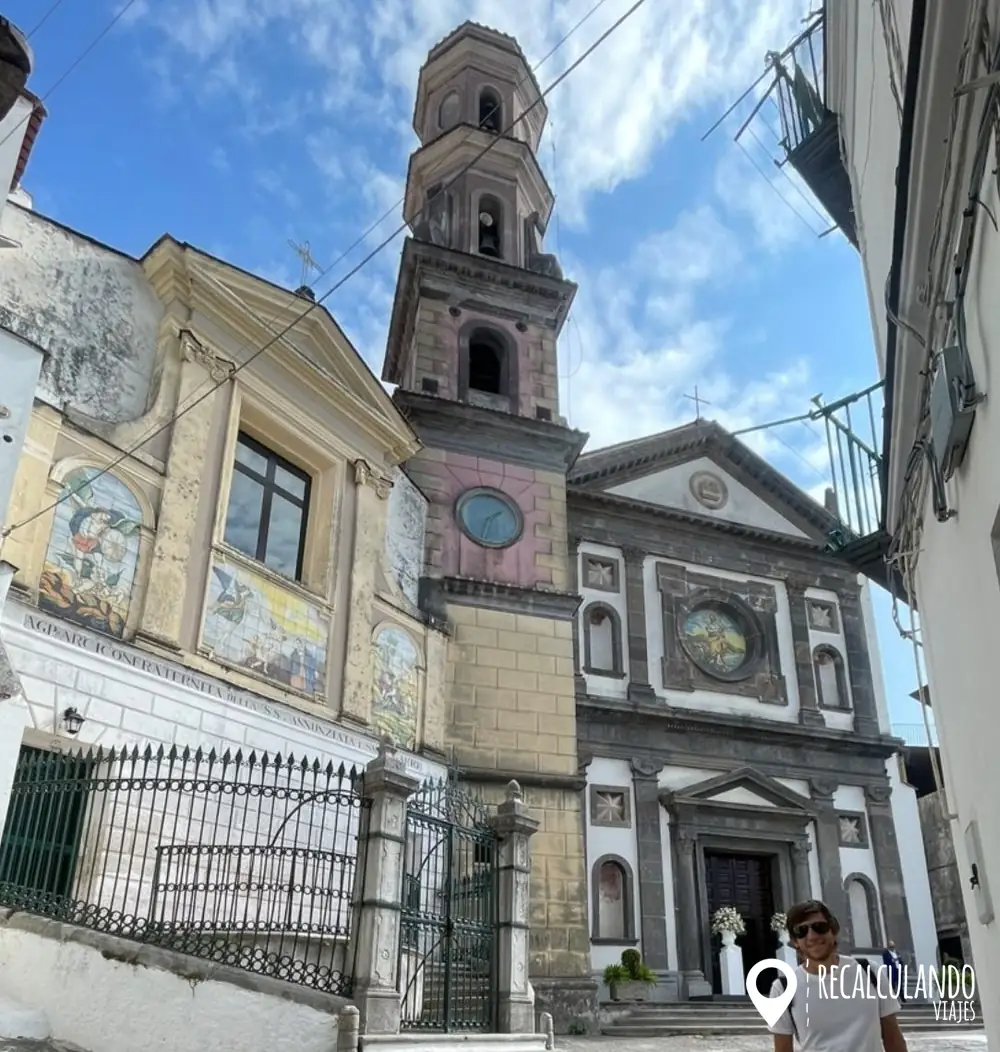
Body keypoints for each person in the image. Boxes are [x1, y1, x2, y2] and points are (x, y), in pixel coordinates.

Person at [768, 899, 907, 1052]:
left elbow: (893, 1039)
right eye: (801, 931)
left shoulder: (869, 972)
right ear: (795, 941)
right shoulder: (783, 989)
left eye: (819, 927)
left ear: (833, 931)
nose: (812, 936)